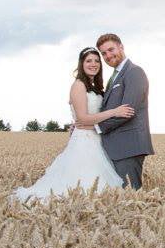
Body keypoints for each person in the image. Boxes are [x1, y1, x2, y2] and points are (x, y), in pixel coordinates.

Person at [11, 47, 135, 203]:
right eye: (88, 61)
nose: (93, 64)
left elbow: (89, 118)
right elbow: (83, 119)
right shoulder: (78, 85)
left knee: (98, 188)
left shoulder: (96, 88)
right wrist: (114, 112)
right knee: (81, 185)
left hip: (97, 140)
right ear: (81, 64)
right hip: (83, 142)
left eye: (97, 61)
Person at [75, 33, 154, 189]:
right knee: (116, 198)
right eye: (104, 53)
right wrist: (82, 123)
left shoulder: (134, 72)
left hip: (128, 147)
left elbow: (128, 111)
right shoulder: (115, 76)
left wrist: (95, 127)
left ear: (121, 47)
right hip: (113, 148)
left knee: (129, 197)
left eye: (111, 50)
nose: (108, 56)